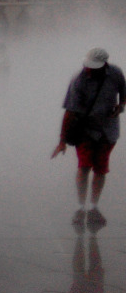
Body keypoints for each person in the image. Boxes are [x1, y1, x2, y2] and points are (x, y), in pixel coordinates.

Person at [52, 47, 126, 228]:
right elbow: (70, 111)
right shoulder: (79, 80)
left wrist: (121, 106)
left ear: (104, 65)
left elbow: (123, 93)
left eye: (94, 67)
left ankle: (93, 207)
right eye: (88, 66)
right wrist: (62, 141)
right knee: (84, 165)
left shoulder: (115, 73)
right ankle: (80, 207)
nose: (89, 70)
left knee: (101, 168)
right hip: (85, 129)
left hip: (108, 129)